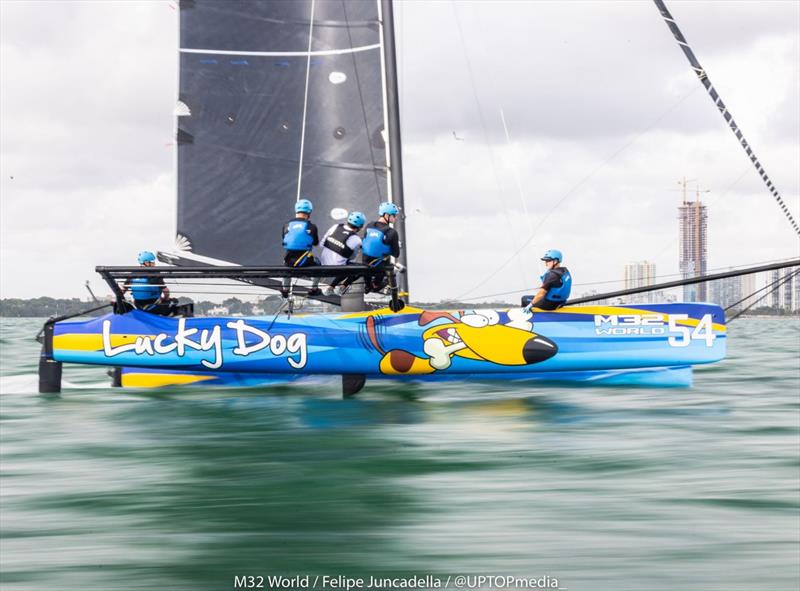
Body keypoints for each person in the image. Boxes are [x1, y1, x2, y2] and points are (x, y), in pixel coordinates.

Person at [281, 198, 321, 297]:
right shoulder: (312, 227)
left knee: (285, 265)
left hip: (289, 262)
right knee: (319, 264)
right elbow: (315, 243)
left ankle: (285, 290)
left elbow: (284, 240)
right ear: (309, 212)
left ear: (296, 210)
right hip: (306, 262)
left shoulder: (286, 225)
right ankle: (314, 289)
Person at [320, 211, 365, 295]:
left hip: (323, 264)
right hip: (338, 270)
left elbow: (322, 244)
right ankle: (342, 287)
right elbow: (352, 258)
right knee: (361, 268)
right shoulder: (357, 239)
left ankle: (331, 288)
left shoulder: (335, 226)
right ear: (360, 227)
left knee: (343, 262)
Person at [361, 201, 401, 293]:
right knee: (396, 269)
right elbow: (396, 254)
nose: (395, 217)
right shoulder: (392, 232)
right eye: (394, 215)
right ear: (386, 215)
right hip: (380, 269)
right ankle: (376, 285)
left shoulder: (369, 225)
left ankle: (368, 285)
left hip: (365, 266)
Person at [123, 251, 178, 315]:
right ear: (146, 263)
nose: (154, 264)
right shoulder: (155, 273)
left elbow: (123, 289)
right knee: (175, 301)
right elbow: (166, 291)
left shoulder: (133, 274)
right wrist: (166, 298)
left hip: (138, 306)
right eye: (152, 262)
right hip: (154, 306)